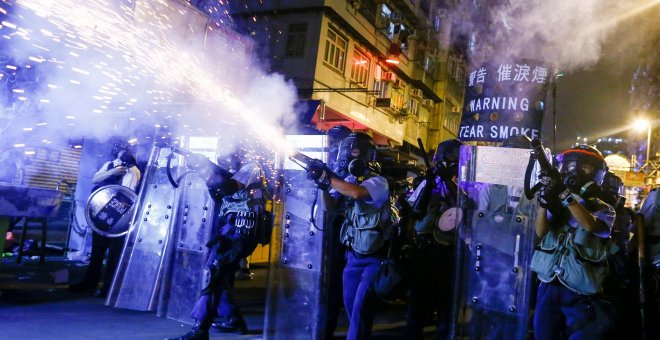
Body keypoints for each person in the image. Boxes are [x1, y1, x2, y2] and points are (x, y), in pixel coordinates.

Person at [170, 148, 266, 340]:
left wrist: (206, 170)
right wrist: (205, 173)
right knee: (220, 277)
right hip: (229, 231)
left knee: (213, 275)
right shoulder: (228, 174)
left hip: (239, 231)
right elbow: (219, 197)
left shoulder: (251, 168)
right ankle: (232, 319)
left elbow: (231, 187)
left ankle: (200, 329)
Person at [306, 132, 391, 340]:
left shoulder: (378, 181)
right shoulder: (347, 180)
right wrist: (323, 186)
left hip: (374, 258)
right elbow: (330, 208)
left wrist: (328, 178)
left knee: (361, 308)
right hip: (352, 258)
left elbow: (356, 193)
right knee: (351, 306)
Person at [530, 144, 617, 339]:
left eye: (585, 166)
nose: (575, 171)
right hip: (549, 284)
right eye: (570, 166)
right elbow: (540, 231)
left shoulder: (605, 209)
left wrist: (566, 197)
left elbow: (590, 225)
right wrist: (544, 204)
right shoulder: (557, 201)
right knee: (543, 334)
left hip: (580, 290)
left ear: (597, 173)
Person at [404, 138, 463, 339]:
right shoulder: (427, 181)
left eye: (453, 160)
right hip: (424, 250)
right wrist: (429, 184)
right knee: (417, 309)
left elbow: (465, 207)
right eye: (445, 159)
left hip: (449, 251)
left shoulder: (466, 184)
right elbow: (415, 212)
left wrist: (448, 180)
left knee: (446, 309)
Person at [69, 146, 140, 297]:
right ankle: (89, 284)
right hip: (102, 213)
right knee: (97, 253)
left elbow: (128, 192)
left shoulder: (133, 171)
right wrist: (113, 172)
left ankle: (109, 288)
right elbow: (96, 178)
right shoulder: (108, 165)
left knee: (114, 256)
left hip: (120, 217)